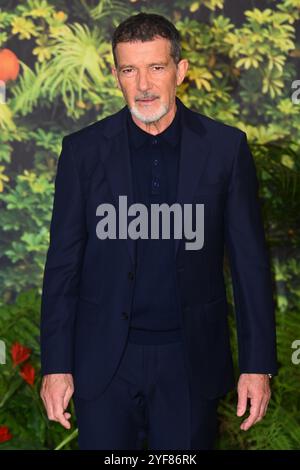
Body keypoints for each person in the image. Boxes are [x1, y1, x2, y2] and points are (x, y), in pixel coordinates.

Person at [39, 12, 278, 450]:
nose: (144, 85)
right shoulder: (82, 152)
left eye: (156, 67)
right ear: (116, 76)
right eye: (130, 70)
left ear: (180, 71)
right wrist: (55, 365)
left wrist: (257, 364)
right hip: (105, 362)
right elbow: (62, 268)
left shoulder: (226, 149)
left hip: (189, 362)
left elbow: (249, 265)